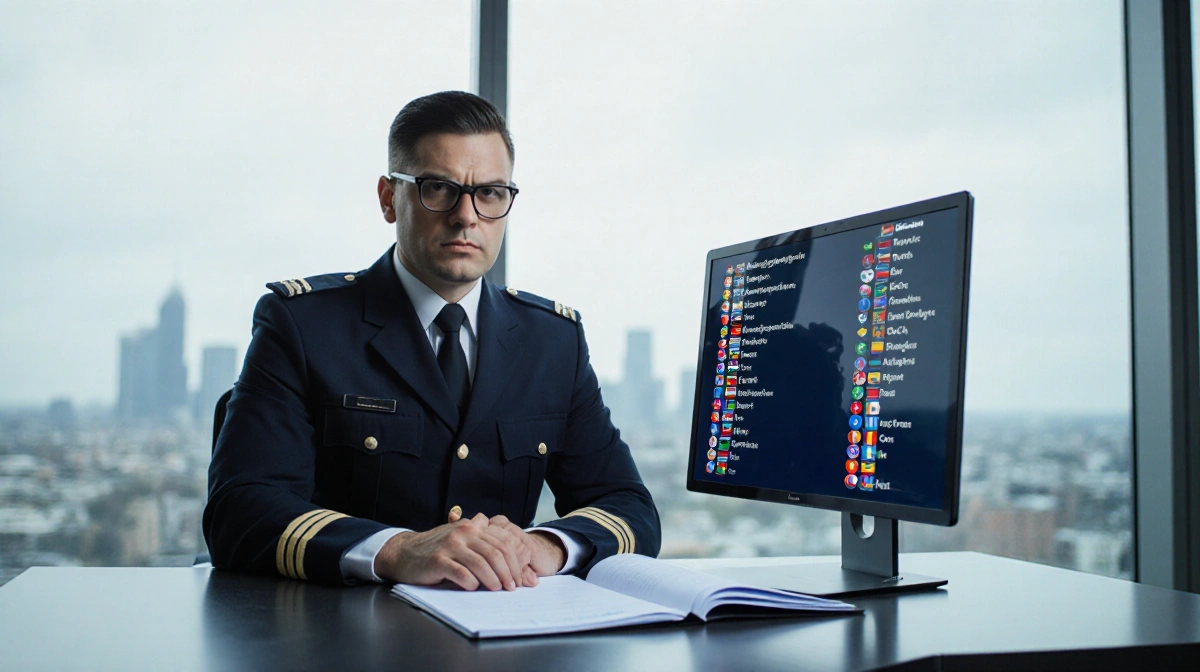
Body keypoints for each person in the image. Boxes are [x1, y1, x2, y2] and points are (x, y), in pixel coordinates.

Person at [203, 91, 661, 589]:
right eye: (438, 188)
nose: (467, 215)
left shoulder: (553, 341)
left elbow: (630, 508)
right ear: (387, 198)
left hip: (505, 644)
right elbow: (239, 511)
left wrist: (543, 545)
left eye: (489, 193)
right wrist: (396, 549)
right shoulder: (304, 325)